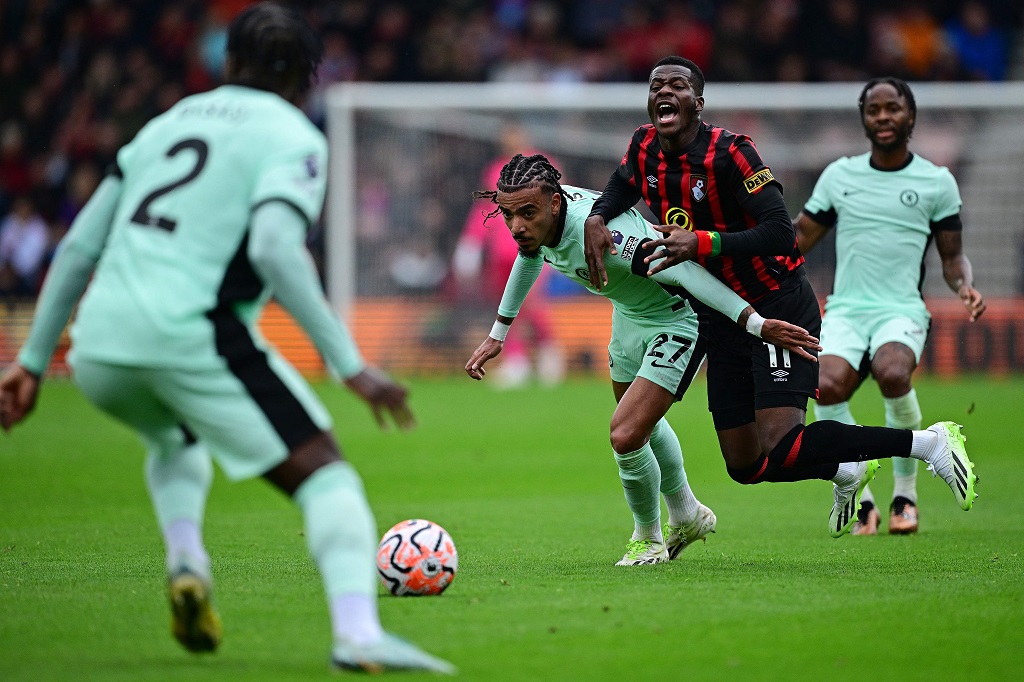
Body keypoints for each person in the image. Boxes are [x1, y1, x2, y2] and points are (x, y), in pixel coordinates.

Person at [0, 3, 452, 674]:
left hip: (97, 342)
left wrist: (32, 362)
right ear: (306, 81)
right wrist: (349, 364)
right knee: (326, 475)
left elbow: (77, 248)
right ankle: (358, 634)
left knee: (172, 436)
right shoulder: (293, 135)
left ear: (228, 60)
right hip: (192, 331)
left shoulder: (166, 124)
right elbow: (273, 248)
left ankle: (187, 560)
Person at [581, 56, 977, 538]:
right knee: (745, 465)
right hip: (722, 313)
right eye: (656, 85)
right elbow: (623, 184)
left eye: (677, 85)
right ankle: (846, 468)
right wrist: (598, 215)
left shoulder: (733, 153)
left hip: (775, 303)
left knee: (782, 441)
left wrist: (702, 242)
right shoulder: (643, 145)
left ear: (698, 103)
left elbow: (781, 233)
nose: (664, 91)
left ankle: (927, 443)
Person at [465, 153, 821, 564]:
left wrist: (755, 323)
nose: (516, 227)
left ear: (555, 203)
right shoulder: (540, 221)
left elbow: (686, 273)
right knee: (640, 425)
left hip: (678, 317)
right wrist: (498, 334)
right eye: (508, 215)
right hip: (629, 315)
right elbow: (530, 258)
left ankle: (648, 539)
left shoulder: (612, 240)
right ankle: (687, 514)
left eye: (526, 214)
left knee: (625, 433)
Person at [795, 77, 986, 535]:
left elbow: (952, 257)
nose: (883, 116)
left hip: (901, 308)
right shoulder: (840, 176)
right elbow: (798, 239)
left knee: (893, 373)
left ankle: (905, 496)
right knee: (825, 386)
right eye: (874, 109)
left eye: (892, 108)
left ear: (910, 116)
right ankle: (862, 495)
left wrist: (964, 286)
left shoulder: (936, 182)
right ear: (864, 119)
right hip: (846, 308)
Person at [452, 124, 565, 387]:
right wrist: (471, 242)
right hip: (500, 252)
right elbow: (486, 207)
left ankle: (549, 351)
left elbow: (560, 204)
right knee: (507, 306)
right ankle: (516, 360)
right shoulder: (494, 170)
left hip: (534, 247)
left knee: (532, 304)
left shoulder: (543, 165)